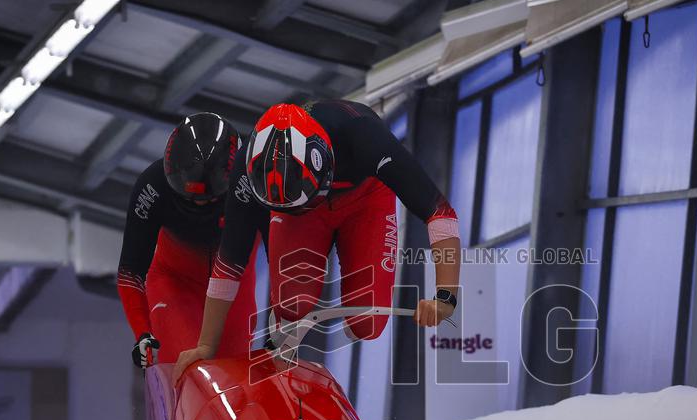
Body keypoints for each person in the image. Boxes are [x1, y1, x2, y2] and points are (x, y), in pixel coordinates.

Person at [173, 100, 461, 378]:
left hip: (366, 201)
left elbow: (440, 212)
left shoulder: (365, 137)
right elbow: (231, 258)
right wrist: (206, 344)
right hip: (302, 220)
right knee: (292, 305)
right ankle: (283, 329)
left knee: (368, 324)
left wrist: (446, 296)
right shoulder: (247, 169)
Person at [117, 112, 261, 368]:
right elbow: (130, 272)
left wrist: (282, 319)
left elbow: (279, 250)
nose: (199, 204)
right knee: (188, 366)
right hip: (175, 284)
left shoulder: (252, 185)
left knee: (232, 377)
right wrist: (142, 332)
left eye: (208, 200)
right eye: (189, 198)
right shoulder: (152, 187)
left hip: (234, 288)